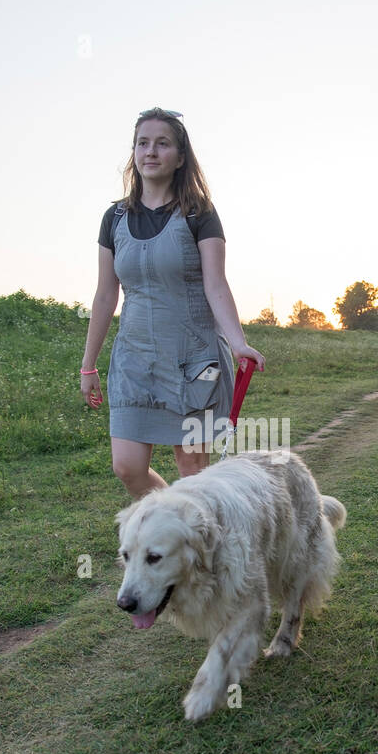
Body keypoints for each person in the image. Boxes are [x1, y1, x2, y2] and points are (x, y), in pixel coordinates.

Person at [81, 107, 266, 499]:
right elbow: (104, 295)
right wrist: (88, 365)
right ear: (133, 153)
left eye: (162, 144)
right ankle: (171, 522)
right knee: (127, 467)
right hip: (134, 361)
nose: (151, 151)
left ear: (180, 157)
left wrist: (238, 343)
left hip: (193, 362)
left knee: (192, 473)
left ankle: (192, 549)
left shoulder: (200, 213)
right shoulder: (114, 218)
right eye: (142, 143)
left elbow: (217, 284)